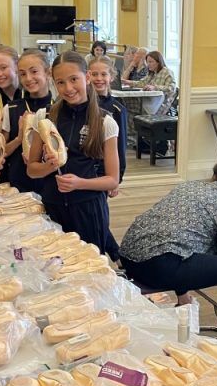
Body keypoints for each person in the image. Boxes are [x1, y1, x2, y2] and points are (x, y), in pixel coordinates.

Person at [120, 161, 217, 356]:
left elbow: (178, 240)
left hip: (129, 256)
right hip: (157, 266)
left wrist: (183, 296)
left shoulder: (189, 187)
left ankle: (184, 301)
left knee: (179, 246)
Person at [28, 51, 120, 255]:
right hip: (52, 208)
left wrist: (80, 183)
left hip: (89, 208)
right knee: (56, 269)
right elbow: (32, 170)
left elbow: (112, 180)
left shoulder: (106, 122)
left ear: (87, 78)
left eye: (74, 79)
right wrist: (49, 166)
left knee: (92, 268)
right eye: (60, 82)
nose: (68, 88)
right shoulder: (44, 116)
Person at [1, 49, 54, 193]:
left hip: (53, 185)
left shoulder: (59, 108)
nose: (28, 78)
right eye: (23, 74)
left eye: (34, 71)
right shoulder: (11, 109)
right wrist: (19, 139)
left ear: (48, 72)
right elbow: (0, 152)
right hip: (19, 185)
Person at [89, 56, 128, 185]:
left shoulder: (117, 109)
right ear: (87, 76)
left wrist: (118, 177)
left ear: (111, 77)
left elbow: (120, 146)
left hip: (104, 171)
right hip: (82, 168)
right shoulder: (81, 105)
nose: (99, 78)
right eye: (94, 74)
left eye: (103, 74)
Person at [123, 51, 177, 116]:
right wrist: (127, 82)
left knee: (128, 106)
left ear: (158, 62)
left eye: (151, 62)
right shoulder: (152, 73)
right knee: (126, 103)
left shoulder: (167, 72)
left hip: (160, 105)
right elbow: (142, 83)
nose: (148, 64)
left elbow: (171, 88)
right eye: (147, 62)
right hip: (150, 102)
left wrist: (155, 87)